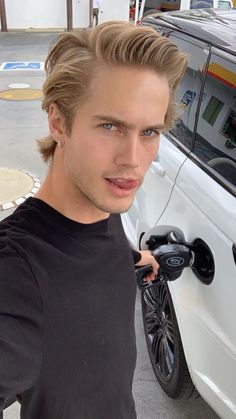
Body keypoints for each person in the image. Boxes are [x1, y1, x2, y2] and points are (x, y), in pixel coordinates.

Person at [0, 22, 187, 419]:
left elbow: (87, 255)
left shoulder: (102, 207)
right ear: (58, 123)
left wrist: (134, 260)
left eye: (149, 131)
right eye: (110, 126)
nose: (133, 160)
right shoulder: (16, 273)